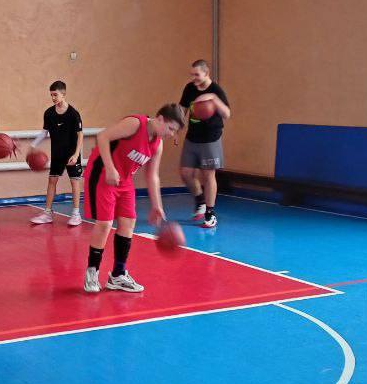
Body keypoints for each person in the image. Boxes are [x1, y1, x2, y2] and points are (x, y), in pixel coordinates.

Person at [81, 104, 186, 294]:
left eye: (174, 131)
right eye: (170, 128)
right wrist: (110, 168)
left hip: (124, 179)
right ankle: (92, 272)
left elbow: (152, 175)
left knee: (129, 222)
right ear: (160, 119)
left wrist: (157, 206)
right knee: (105, 224)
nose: (171, 134)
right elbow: (102, 137)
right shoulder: (135, 124)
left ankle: (118, 275)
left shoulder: (157, 144)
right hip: (103, 173)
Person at [178, 60, 231, 228]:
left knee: (208, 176)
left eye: (197, 75)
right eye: (192, 74)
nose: (193, 78)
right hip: (192, 137)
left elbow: (227, 113)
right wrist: (176, 129)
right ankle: (199, 200)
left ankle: (210, 212)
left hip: (210, 138)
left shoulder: (216, 90)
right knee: (185, 173)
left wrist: (214, 99)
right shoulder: (189, 88)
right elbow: (182, 109)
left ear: (206, 73)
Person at [28, 81, 84, 227]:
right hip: (57, 153)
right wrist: (33, 145)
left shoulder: (73, 114)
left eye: (55, 95)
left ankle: (76, 214)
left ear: (63, 94)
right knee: (52, 180)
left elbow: (80, 135)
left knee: (75, 182)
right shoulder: (49, 113)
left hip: (72, 154)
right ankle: (47, 213)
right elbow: (44, 132)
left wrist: (76, 154)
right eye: (51, 95)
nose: (53, 98)